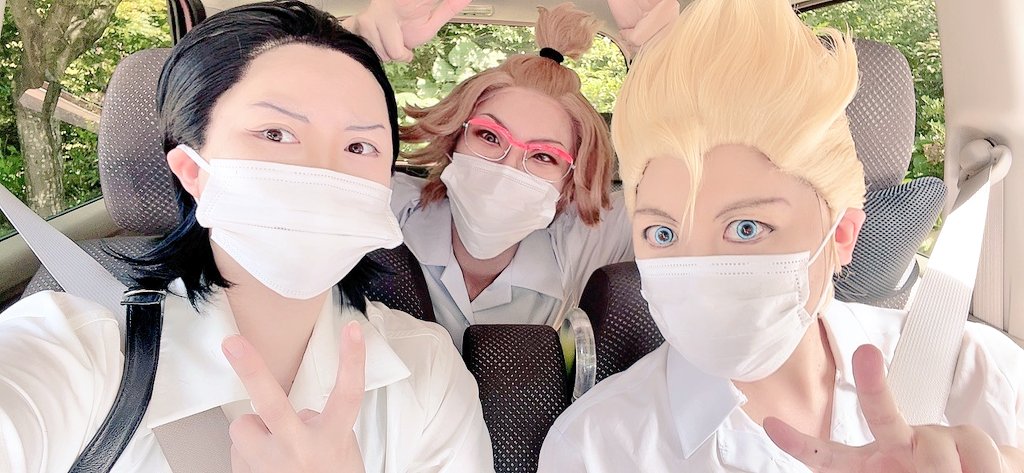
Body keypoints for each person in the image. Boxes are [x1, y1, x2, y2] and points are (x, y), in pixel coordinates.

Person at [0, 2, 493, 471]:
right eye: (275, 134)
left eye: (359, 145)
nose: (323, 172)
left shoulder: (427, 368)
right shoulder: (76, 349)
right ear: (193, 171)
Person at [538, 0, 1024, 471]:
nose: (700, 267)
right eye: (661, 233)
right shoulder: (595, 449)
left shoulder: (977, 373)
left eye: (746, 228)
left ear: (841, 235)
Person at [348, 2, 633, 349]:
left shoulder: (582, 243)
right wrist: (352, 45)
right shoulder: (386, 205)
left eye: (543, 156)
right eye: (489, 136)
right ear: (455, 138)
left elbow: (685, 197)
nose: (506, 168)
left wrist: (662, 52)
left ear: (569, 184)